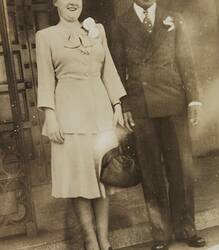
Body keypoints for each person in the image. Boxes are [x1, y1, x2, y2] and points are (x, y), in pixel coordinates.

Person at [110, 0, 206, 249]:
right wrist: (125, 105)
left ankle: (187, 228)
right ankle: (160, 235)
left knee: (182, 169)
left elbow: (186, 59)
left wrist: (194, 98)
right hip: (141, 105)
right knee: (151, 172)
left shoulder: (172, 17)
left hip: (174, 100)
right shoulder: (121, 23)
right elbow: (118, 69)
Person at [36, 0, 126, 249]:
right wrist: (50, 116)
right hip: (69, 115)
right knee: (79, 180)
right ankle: (90, 240)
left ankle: (104, 240)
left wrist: (117, 105)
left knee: (103, 179)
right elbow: (44, 78)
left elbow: (108, 69)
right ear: (56, 2)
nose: (72, 2)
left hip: (100, 114)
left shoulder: (96, 30)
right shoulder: (46, 37)